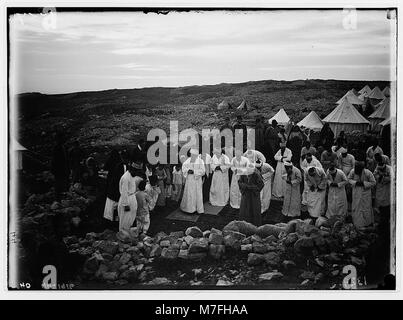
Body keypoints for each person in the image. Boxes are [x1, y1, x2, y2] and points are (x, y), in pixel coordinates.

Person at [348, 162, 376, 229]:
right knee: (356, 207)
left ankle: (367, 223)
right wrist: (355, 182)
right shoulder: (352, 171)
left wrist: (364, 183)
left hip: (365, 193)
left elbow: (374, 182)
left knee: (366, 207)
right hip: (356, 192)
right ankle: (357, 223)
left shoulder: (368, 173)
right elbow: (348, 179)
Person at [103, 150, 127, 222]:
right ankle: (117, 218)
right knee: (118, 202)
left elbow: (105, 167)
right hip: (119, 185)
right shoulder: (120, 164)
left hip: (112, 181)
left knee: (112, 202)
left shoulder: (111, 160)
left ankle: (110, 218)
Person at [180, 149, 205, 214]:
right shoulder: (188, 160)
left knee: (197, 194)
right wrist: (188, 170)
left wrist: (194, 171)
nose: (192, 155)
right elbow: (184, 168)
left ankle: (197, 209)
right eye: (191, 154)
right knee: (190, 193)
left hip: (196, 180)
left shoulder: (200, 161)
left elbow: (203, 171)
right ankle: (189, 209)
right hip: (190, 180)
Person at [117, 166, 138, 233]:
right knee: (125, 221)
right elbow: (124, 192)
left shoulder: (132, 176)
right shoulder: (126, 177)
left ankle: (128, 236)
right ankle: (123, 236)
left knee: (130, 220)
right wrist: (126, 204)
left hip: (132, 197)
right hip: (127, 200)